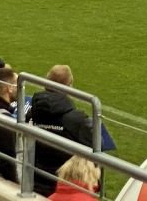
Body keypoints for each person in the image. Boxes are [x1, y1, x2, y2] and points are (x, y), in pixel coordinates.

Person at [27, 65, 95, 197]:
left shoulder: (31, 113)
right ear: (69, 87)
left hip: (35, 180)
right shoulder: (77, 120)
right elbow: (94, 152)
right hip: (66, 187)